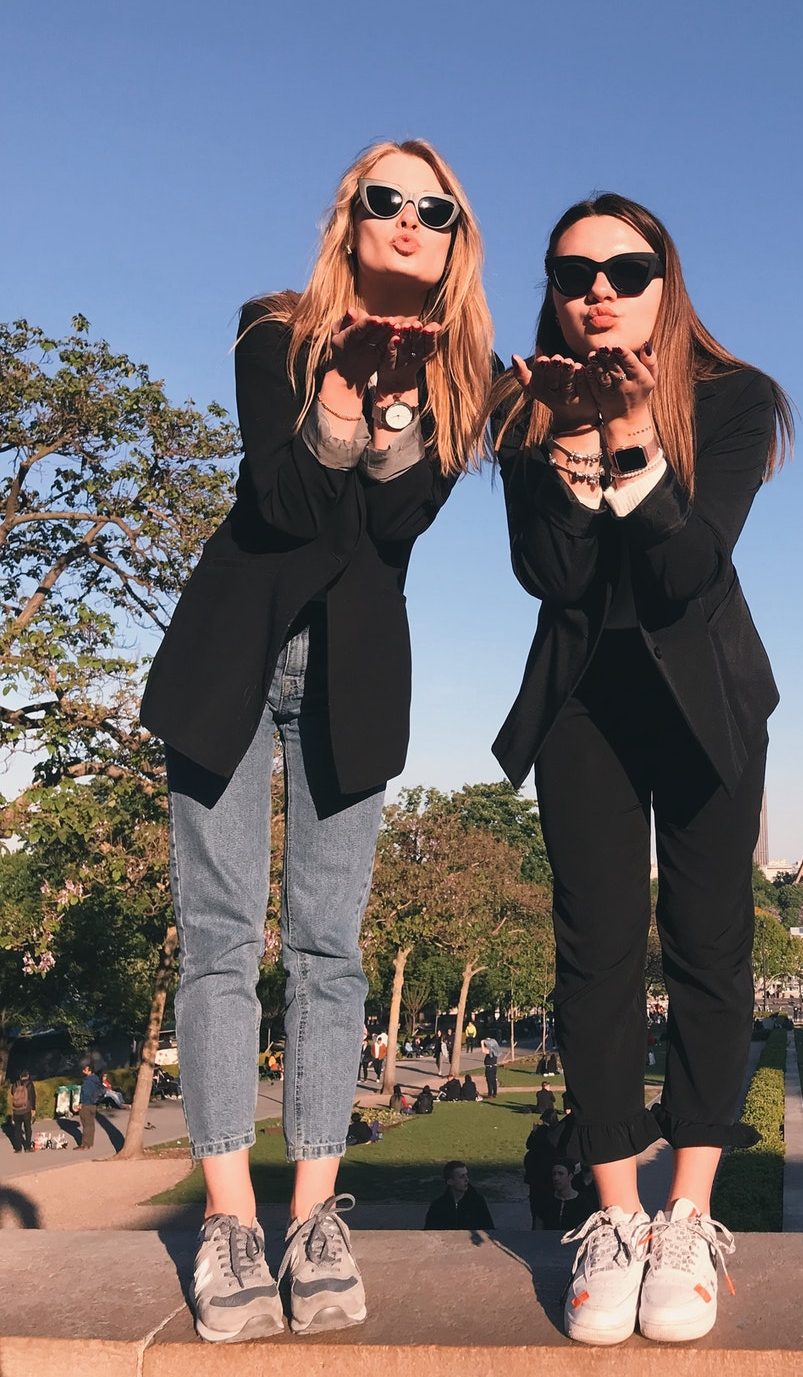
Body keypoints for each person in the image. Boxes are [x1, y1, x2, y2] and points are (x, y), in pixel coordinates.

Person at [137, 138, 493, 1344]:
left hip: (352, 670)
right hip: (234, 654)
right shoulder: (271, 330)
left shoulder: (468, 378)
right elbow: (284, 505)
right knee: (223, 940)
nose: (407, 219)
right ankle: (231, 1216)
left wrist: (394, 405)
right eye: (383, 199)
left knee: (330, 949)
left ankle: (315, 1215)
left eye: (431, 207)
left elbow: (391, 528)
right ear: (351, 218)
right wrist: (337, 396)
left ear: (454, 237)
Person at [489, 193, 791, 1347]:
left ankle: (688, 1216)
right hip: (583, 705)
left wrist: (630, 440)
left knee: (712, 945)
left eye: (626, 266)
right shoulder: (525, 410)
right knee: (596, 952)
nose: (599, 288)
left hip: (707, 697)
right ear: (555, 292)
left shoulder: (733, 399)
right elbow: (551, 578)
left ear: (668, 280)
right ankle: (615, 1218)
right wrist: (570, 434)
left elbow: (686, 569)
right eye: (575, 272)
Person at [423, 1161, 495, 1231]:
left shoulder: (477, 1202)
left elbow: (489, 1230)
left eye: (466, 1175)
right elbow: (429, 1233)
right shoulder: (438, 1206)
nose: (467, 1179)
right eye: (461, 1177)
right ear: (450, 1181)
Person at [75, 1061, 104, 1150]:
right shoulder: (96, 1079)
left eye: (85, 1069)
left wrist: (81, 1104)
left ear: (89, 1071)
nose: (83, 1071)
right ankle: (90, 1143)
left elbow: (85, 1094)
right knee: (91, 1125)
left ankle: (85, 1144)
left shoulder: (87, 1081)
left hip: (86, 1105)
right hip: (93, 1105)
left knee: (86, 1125)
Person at [10, 1070, 35, 1152]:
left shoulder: (15, 1084)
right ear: (27, 1076)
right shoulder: (29, 1084)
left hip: (16, 1109)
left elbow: (12, 1093)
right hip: (26, 1109)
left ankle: (18, 1148)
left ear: (20, 1076)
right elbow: (32, 1097)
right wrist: (33, 1108)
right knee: (27, 1128)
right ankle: (27, 1147)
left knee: (17, 1128)